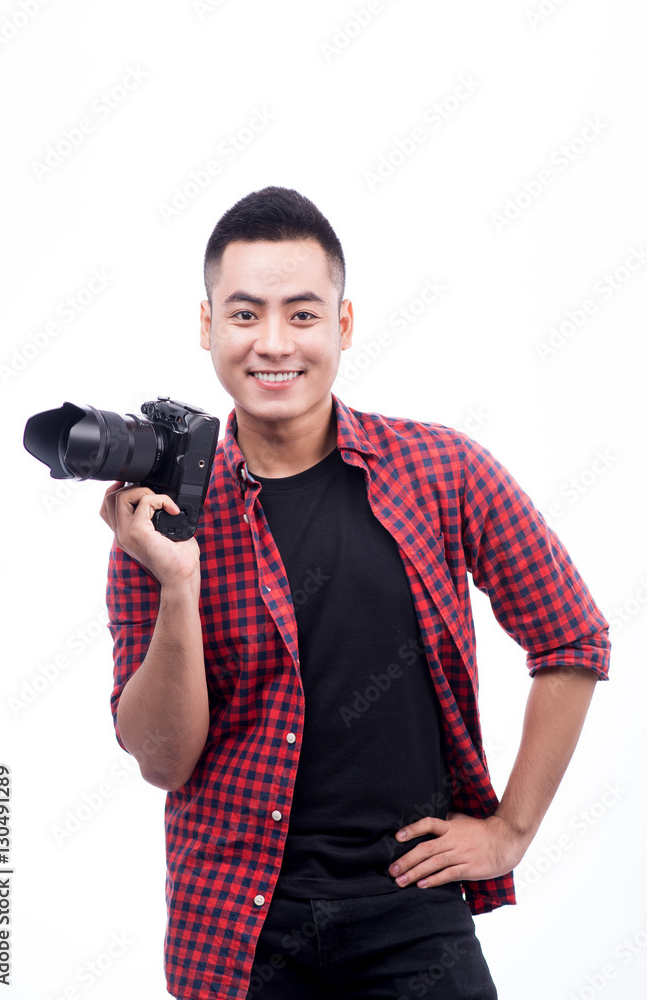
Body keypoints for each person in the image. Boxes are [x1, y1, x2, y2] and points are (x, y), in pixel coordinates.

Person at [100, 186, 611, 1000]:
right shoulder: (160, 520)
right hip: (236, 930)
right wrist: (174, 585)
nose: (273, 343)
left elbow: (572, 638)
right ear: (206, 327)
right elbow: (164, 761)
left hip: (413, 920)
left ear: (341, 325)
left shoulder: (443, 471)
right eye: (244, 315)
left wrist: (510, 832)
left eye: (302, 315)